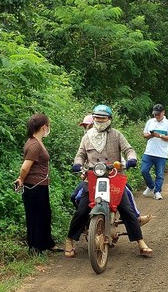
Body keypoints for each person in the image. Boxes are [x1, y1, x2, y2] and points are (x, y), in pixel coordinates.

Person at [66, 104, 152, 257]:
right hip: (91, 179)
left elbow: (129, 150)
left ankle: (140, 242)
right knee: (82, 209)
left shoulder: (117, 135)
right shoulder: (87, 137)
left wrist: (132, 159)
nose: (99, 120)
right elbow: (80, 154)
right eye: (97, 117)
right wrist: (77, 164)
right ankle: (70, 240)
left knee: (127, 209)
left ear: (109, 119)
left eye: (102, 118)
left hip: (113, 178)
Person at [15, 113, 61, 255]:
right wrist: (21, 179)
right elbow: (25, 167)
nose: (49, 128)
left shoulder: (36, 141)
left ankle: (47, 243)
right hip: (33, 186)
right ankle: (35, 248)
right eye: (48, 125)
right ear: (43, 127)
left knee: (45, 214)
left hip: (40, 185)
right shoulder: (34, 144)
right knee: (35, 216)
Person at [141, 103, 168, 200]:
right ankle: (151, 186)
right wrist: (151, 135)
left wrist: (159, 135)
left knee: (159, 174)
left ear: (163, 113)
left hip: (161, 153)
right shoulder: (150, 122)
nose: (156, 116)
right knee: (144, 170)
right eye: (155, 114)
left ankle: (157, 191)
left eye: (158, 114)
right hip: (149, 152)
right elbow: (144, 134)